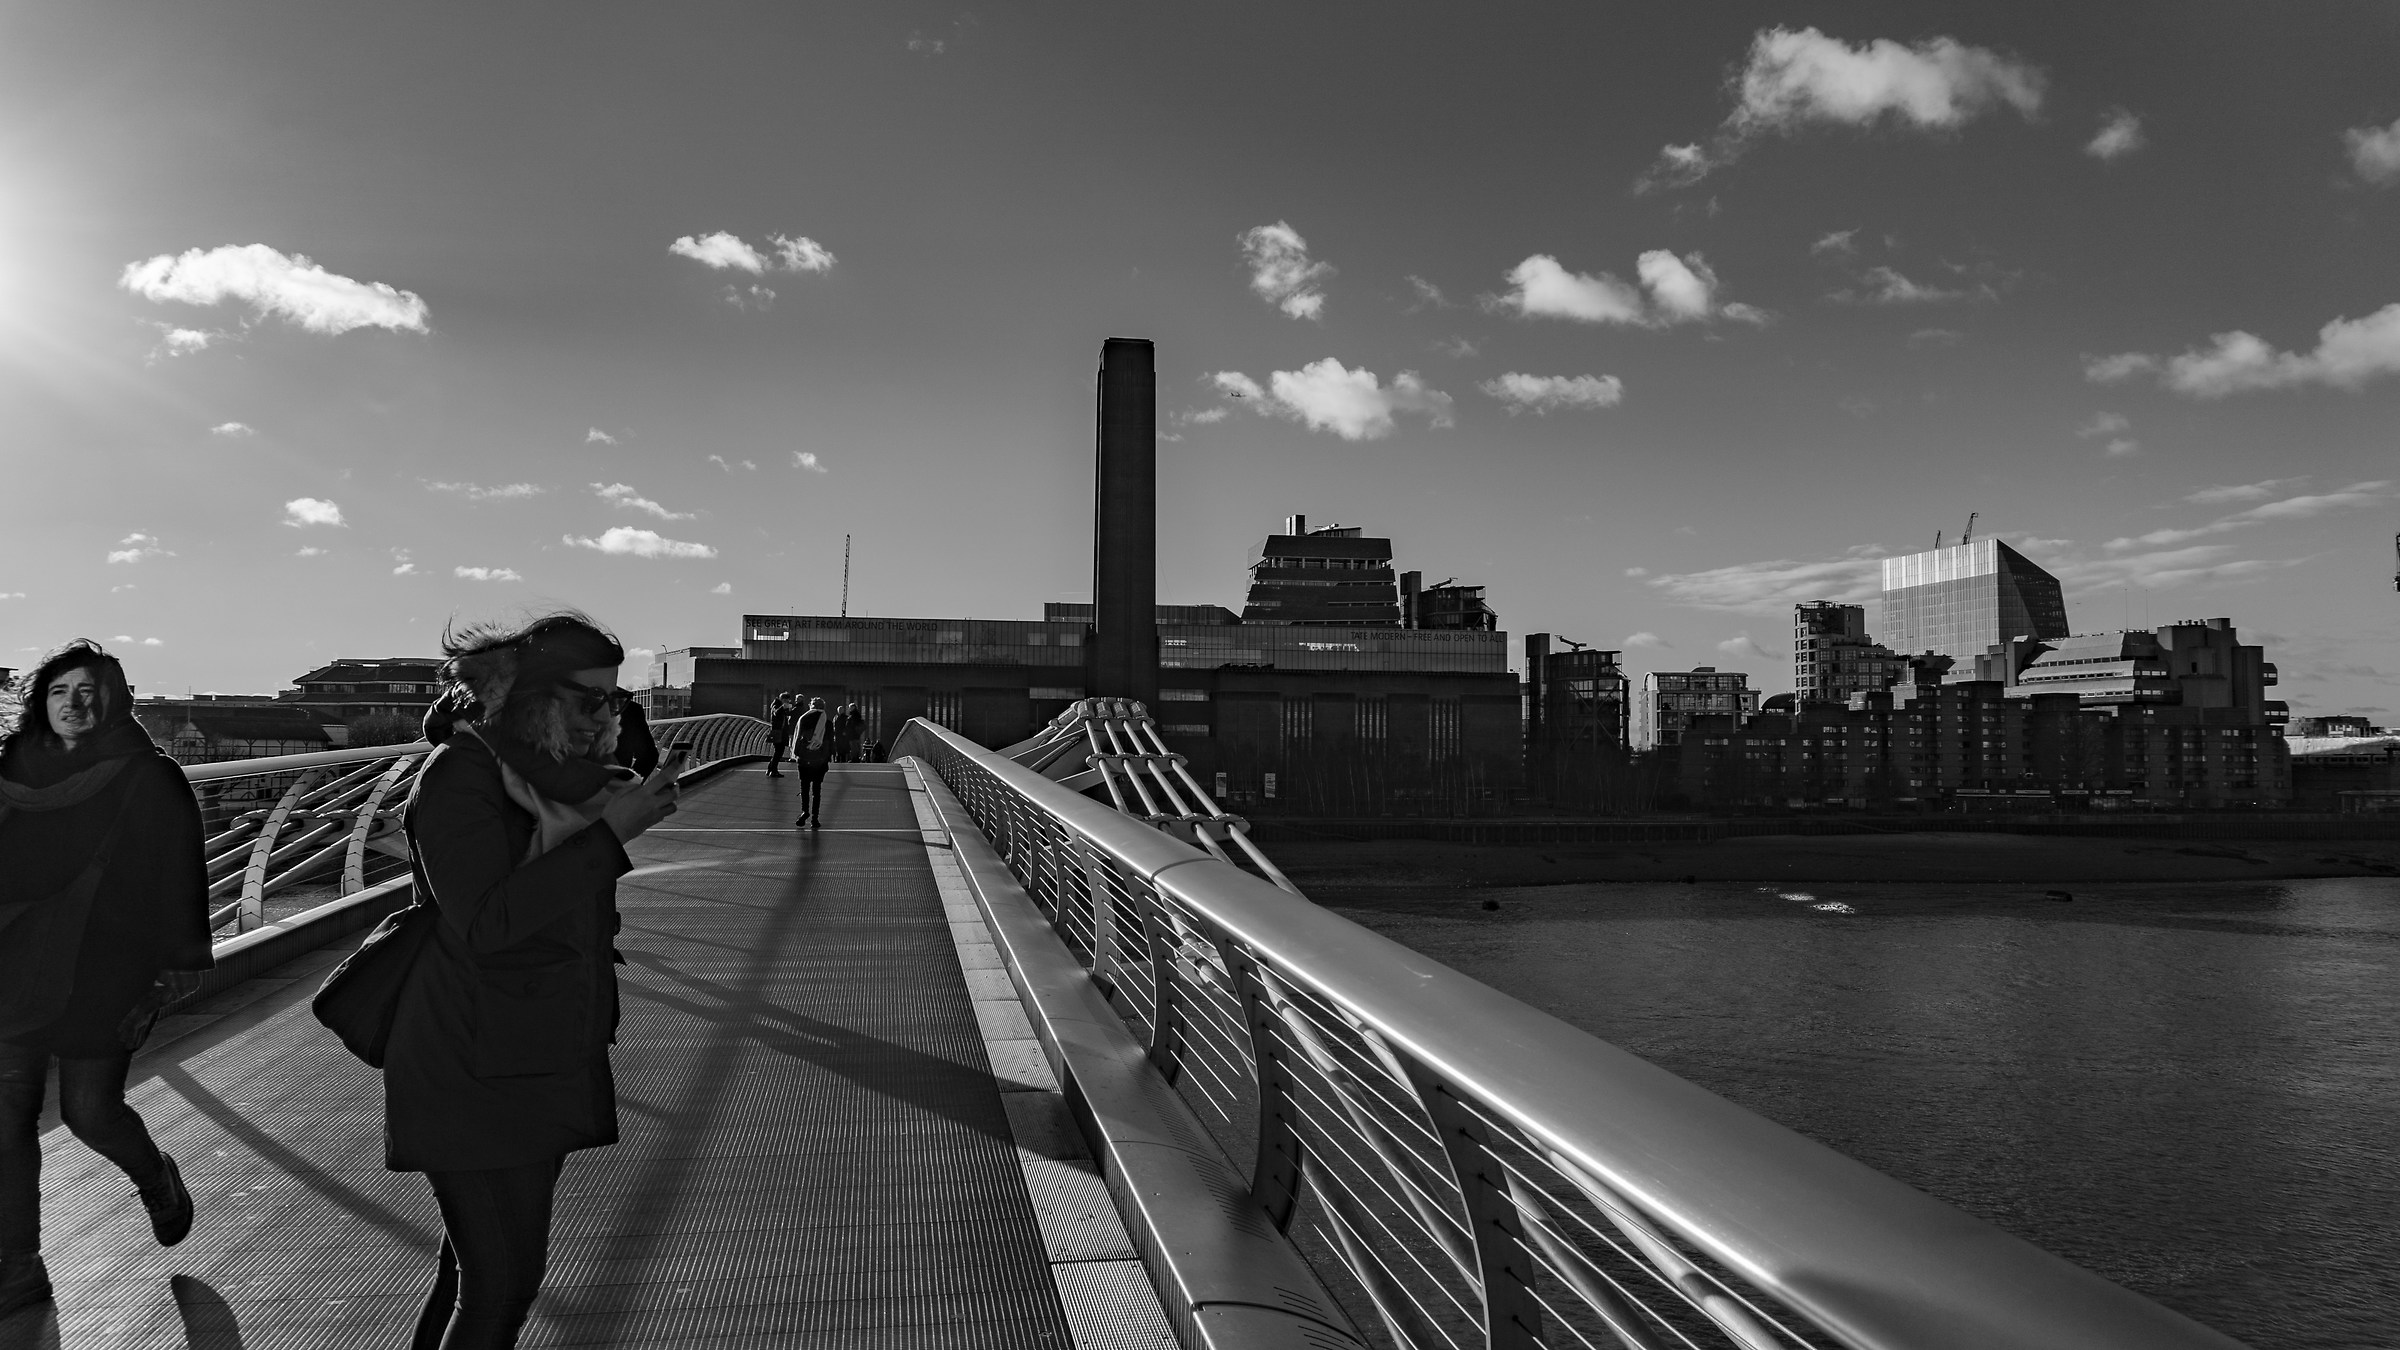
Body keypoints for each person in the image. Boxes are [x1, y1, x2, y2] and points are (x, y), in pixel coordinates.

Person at [385, 613, 681, 1348]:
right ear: (530, 699)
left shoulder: (552, 783)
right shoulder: (461, 776)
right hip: (468, 1058)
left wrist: (611, 819)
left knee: (473, 1273)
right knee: (502, 1284)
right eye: (589, 701)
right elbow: (484, 922)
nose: (604, 719)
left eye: (614, 702)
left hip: (533, 1048)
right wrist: (612, 837)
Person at [0, 641, 212, 1320]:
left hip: (105, 968)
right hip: (10, 964)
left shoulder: (150, 776)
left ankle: (155, 1174)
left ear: (115, 700)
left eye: (90, 691)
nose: (75, 705)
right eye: (62, 691)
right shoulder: (7, 768)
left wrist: (175, 968)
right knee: (5, 1120)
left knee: (91, 1112)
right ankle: (19, 1266)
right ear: (43, 700)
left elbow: (181, 875)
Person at [788, 697, 833, 829]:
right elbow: (830, 742)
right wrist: (827, 758)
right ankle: (815, 818)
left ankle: (804, 812)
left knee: (804, 788)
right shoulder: (828, 723)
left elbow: (797, 739)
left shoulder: (804, 719)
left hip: (804, 759)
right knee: (817, 790)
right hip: (820, 760)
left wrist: (797, 754)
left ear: (811, 707)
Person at [613, 695, 658, 777]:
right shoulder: (631, 708)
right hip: (618, 782)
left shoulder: (631, 708)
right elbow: (649, 755)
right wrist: (629, 784)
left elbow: (649, 755)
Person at [764, 694, 799, 779]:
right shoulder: (776, 705)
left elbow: (785, 715)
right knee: (779, 751)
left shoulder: (779, 706)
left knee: (778, 751)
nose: (787, 702)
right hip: (778, 732)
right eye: (786, 700)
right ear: (782, 699)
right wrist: (783, 707)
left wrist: (789, 709)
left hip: (781, 732)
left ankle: (770, 769)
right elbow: (776, 713)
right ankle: (773, 770)